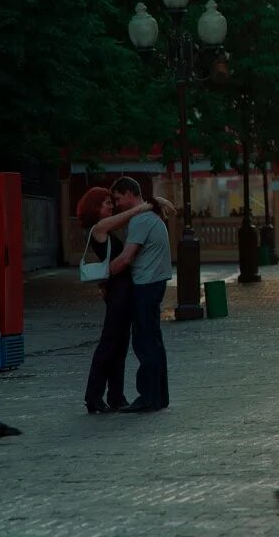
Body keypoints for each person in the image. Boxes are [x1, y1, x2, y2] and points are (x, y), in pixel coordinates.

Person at [75, 187, 171, 414]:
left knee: (119, 348)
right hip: (118, 294)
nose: (112, 206)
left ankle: (116, 396)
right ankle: (93, 396)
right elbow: (126, 218)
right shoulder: (98, 228)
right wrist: (145, 205)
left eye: (112, 201)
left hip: (123, 292)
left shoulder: (107, 229)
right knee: (109, 345)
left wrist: (152, 202)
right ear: (94, 208)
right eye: (106, 203)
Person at [108, 176, 173, 413]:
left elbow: (126, 258)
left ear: (128, 193)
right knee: (153, 340)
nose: (116, 205)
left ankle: (148, 396)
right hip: (155, 283)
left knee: (145, 342)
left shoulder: (141, 220)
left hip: (146, 285)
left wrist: (103, 272)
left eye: (117, 199)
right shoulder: (150, 216)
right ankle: (159, 395)